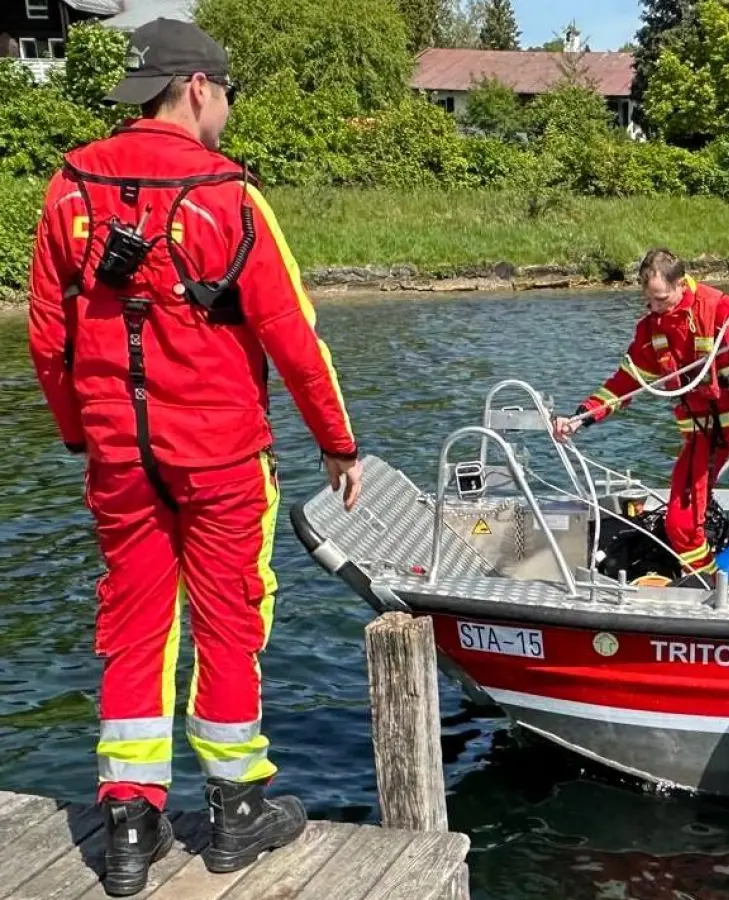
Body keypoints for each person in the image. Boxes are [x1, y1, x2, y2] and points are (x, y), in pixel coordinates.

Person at [26, 18, 361, 896]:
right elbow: (294, 338)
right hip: (220, 456)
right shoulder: (230, 195)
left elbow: (49, 340)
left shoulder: (68, 188)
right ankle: (236, 810)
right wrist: (337, 444)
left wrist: (79, 431)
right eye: (226, 97)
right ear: (201, 89)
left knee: (132, 623)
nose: (226, 113)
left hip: (118, 456)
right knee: (230, 619)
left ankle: (128, 824)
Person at [554, 249, 729, 588]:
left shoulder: (720, 309)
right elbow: (624, 384)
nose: (656, 307)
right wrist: (581, 417)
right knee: (680, 523)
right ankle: (707, 587)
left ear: (681, 284)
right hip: (701, 430)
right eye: (649, 300)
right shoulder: (651, 330)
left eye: (662, 299)